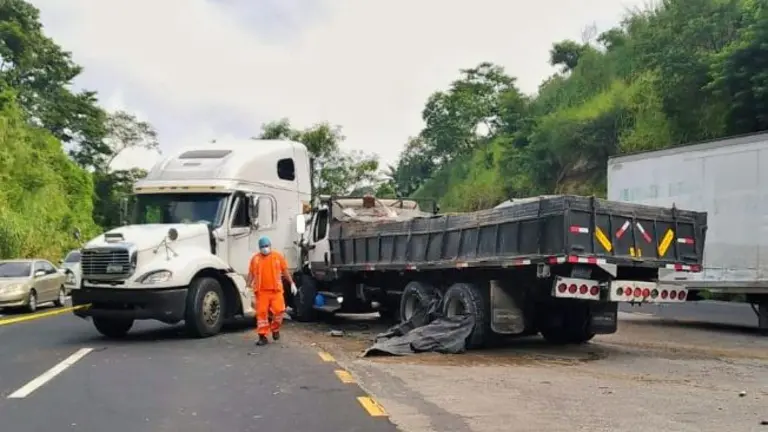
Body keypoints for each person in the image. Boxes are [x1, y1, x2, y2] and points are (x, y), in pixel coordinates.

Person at [247, 236, 298, 346]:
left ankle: (275, 329)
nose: (265, 248)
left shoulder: (277, 257)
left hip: (276, 291)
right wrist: (247, 287)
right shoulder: (255, 259)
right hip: (261, 292)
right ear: (259, 248)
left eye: (266, 246)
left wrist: (292, 283)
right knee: (261, 314)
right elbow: (251, 274)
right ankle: (262, 336)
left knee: (280, 310)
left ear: (270, 246)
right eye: (262, 247)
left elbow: (284, 271)